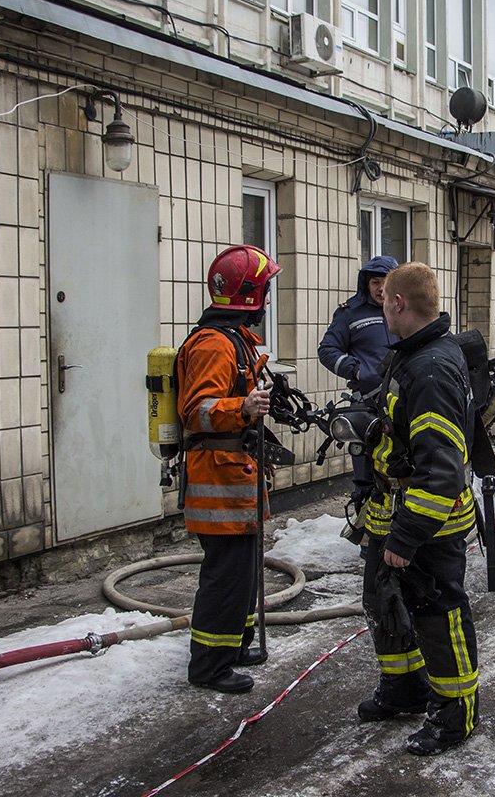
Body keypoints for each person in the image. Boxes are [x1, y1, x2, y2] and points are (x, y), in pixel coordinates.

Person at [357, 262, 479, 757]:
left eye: (384, 299)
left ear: (397, 302)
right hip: (394, 511)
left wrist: (406, 539)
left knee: (437, 616)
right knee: (384, 601)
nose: (381, 307)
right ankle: (404, 690)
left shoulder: (429, 369)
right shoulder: (413, 355)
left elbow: (441, 471)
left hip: (429, 524)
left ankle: (455, 715)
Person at [176, 244, 279, 693]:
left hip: (236, 477)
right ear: (247, 294)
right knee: (225, 576)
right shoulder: (213, 345)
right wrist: (243, 406)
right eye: (264, 290)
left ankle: (234, 645)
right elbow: (195, 410)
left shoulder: (234, 339)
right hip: (218, 481)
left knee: (242, 573)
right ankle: (209, 666)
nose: (268, 300)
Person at [318, 255, 400, 507]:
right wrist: (355, 370)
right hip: (367, 404)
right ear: (366, 284)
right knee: (367, 472)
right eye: (375, 282)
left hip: (403, 400)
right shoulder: (350, 313)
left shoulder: (404, 308)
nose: (380, 288)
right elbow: (327, 350)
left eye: (386, 282)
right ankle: (366, 520)